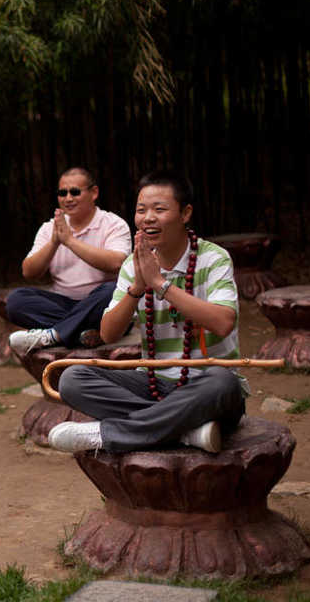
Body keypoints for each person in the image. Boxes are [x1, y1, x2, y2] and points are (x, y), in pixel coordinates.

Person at [48, 170, 245, 454]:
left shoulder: (213, 258)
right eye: (141, 210)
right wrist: (137, 289)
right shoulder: (132, 264)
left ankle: (109, 434)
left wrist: (160, 284)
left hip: (206, 387)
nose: (147, 217)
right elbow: (108, 333)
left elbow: (223, 322)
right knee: (72, 380)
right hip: (154, 384)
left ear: (185, 213)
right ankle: (183, 431)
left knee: (224, 381)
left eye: (159, 209)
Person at [7, 167, 131, 354]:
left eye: (75, 192)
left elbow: (116, 263)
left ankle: (54, 335)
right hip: (63, 302)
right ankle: (84, 332)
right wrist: (55, 242)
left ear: (94, 193)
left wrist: (70, 241)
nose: (68, 198)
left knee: (113, 290)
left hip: (102, 305)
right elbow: (29, 272)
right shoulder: (51, 228)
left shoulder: (113, 224)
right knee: (16, 301)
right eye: (62, 193)